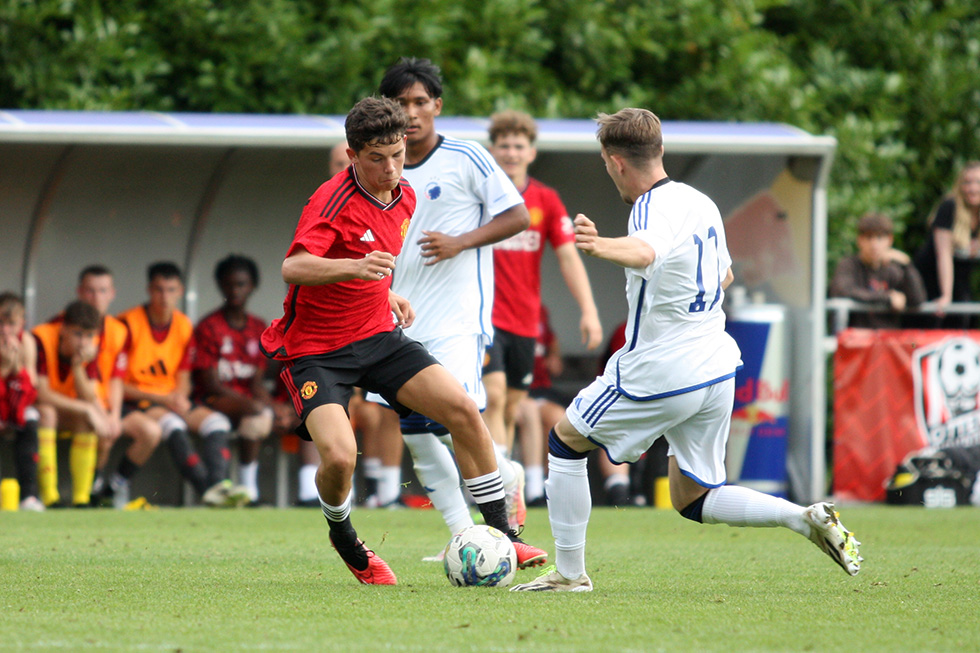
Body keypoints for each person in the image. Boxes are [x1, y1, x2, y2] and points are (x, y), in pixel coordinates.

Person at [511, 108, 862, 592]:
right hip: (716, 366)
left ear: (615, 162)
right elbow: (725, 275)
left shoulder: (650, 208)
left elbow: (645, 251)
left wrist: (598, 246)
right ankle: (803, 517)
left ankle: (570, 575)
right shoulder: (701, 203)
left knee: (565, 441)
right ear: (659, 151)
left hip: (661, 367)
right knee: (692, 497)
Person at [260, 95, 546, 585]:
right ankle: (344, 536)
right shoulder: (330, 201)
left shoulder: (406, 195)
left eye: (398, 154)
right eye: (377, 158)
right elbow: (294, 267)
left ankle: (505, 536)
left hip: (376, 334)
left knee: (462, 409)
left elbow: (373, 256)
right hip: (316, 352)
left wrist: (385, 292)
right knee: (340, 455)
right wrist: (355, 268)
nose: (391, 168)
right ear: (352, 155)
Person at [377, 57, 532, 544]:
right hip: (396, 321)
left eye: (420, 101)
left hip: (457, 322)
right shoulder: (379, 168)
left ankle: (501, 531)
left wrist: (462, 241)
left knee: (455, 419)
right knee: (420, 435)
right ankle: (467, 535)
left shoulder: (467, 157)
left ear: (437, 105)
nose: (411, 111)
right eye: (400, 103)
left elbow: (518, 216)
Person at [482, 110, 603, 497]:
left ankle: (501, 477)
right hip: (483, 317)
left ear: (531, 152)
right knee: (493, 395)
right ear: (492, 150)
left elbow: (568, 255)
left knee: (512, 406)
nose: (512, 153)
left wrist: (588, 309)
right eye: (504, 145)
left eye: (519, 146)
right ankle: (495, 489)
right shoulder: (480, 194)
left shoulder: (545, 200)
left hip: (524, 321)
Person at [118, 261, 247, 507]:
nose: (164, 297)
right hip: (136, 403)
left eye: (170, 290)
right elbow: (117, 385)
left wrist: (179, 397)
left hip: (170, 400)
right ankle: (207, 490)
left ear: (180, 291)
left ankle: (218, 485)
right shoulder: (127, 324)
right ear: (149, 290)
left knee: (216, 422)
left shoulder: (183, 325)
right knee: (173, 424)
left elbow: (184, 376)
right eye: (159, 289)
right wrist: (164, 400)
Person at [72, 265, 162, 508]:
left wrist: (113, 414)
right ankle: (90, 490)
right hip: (75, 403)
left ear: (112, 293)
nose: (96, 297)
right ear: (80, 292)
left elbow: (116, 378)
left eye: (102, 290)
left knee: (151, 432)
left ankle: (112, 488)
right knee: (102, 430)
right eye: (90, 291)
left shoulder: (118, 329)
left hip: (107, 404)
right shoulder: (68, 326)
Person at [192, 255, 274, 505]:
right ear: (221, 285)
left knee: (259, 419)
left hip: (246, 402)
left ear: (252, 286)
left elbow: (257, 382)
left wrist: (272, 406)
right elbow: (211, 384)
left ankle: (249, 492)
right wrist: (254, 404)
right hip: (213, 400)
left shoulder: (259, 327)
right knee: (256, 412)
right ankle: (223, 488)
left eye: (242, 284)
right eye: (230, 284)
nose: (235, 290)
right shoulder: (209, 326)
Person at [32, 301, 112, 507]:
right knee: (47, 413)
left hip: (66, 408)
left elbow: (89, 396)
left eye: (88, 336)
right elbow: (41, 394)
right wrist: (87, 409)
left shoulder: (90, 350)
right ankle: (50, 497)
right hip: (35, 408)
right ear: (64, 328)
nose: (83, 342)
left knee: (87, 422)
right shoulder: (41, 339)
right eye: (77, 334)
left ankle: (81, 499)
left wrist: (77, 366)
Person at [830, 212, 926, 329]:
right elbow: (844, 290)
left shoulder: (893, 269)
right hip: (856, 340)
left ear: (890, 240)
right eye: (869, 237)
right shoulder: (848, 265)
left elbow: (917, 299)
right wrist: (887, 298)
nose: (874, 244)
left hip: (888, 341)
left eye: (880, 238)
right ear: (859, 240)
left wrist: (907, 265)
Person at [913, 161, 980, 327]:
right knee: (937, 321)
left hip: (960, 281)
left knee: (965, 321)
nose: (972, 188)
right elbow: (944, 256)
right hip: (930, 279)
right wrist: (946, 296)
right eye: (967, 182)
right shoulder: (949, 207)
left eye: (978, 182)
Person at [0, 292, 42, 511]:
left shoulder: (26, 341)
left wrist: (17, 370)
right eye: (0, 322)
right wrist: (4, 369)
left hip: (15, 406)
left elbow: (32, 390)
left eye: (11, 323)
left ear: (22, 322)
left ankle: (29, 496)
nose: (5, 330)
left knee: (31, 418)